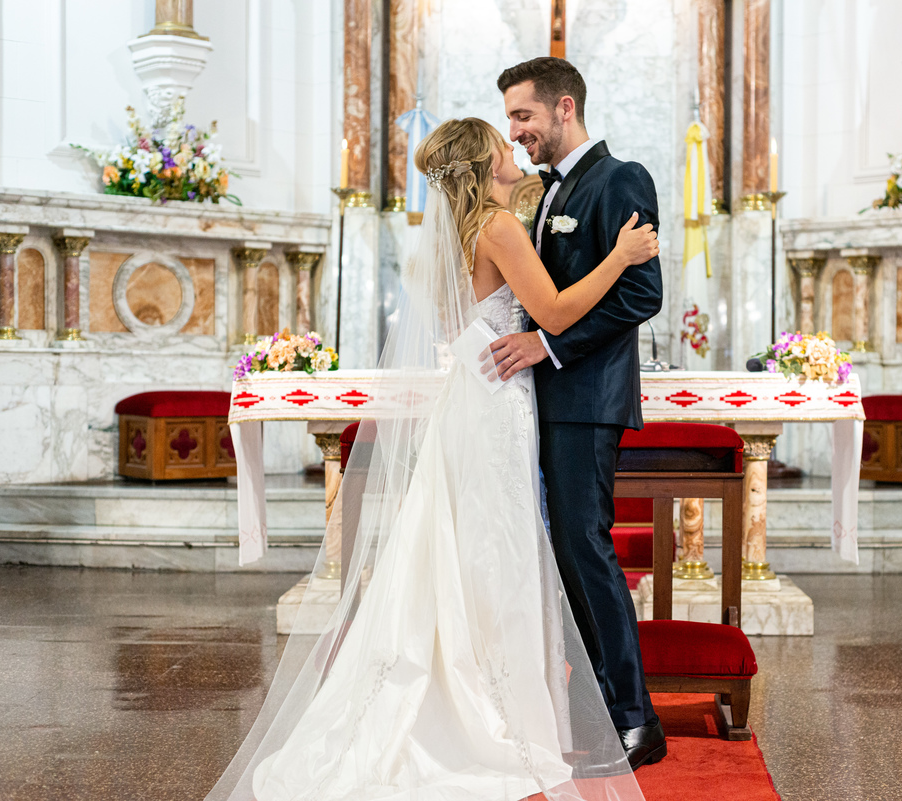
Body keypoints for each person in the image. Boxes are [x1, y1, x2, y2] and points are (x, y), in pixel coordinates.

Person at [205, 116, 659, 801]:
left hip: (469, 400)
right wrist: (619, 257)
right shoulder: (499, 229)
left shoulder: (450, 237)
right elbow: (557, 313)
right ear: (483, 164)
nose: (514, 149)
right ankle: (497, 707)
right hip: (501, 404)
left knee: (466, 546)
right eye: (502, 144)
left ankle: (467, 686)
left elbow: (464, 323)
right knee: (497, 549)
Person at [488, 57, 667, 769]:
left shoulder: (620, 178)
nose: (516, 130)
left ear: (564, 108)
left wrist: (548, 346)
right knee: (567, 552)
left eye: (524, 116)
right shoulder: (543, 190)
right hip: (548, 398)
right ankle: (597, 706)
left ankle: (634, 718)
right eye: (510, 120)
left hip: (586, 397)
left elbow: (641, 294)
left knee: (587, 550)